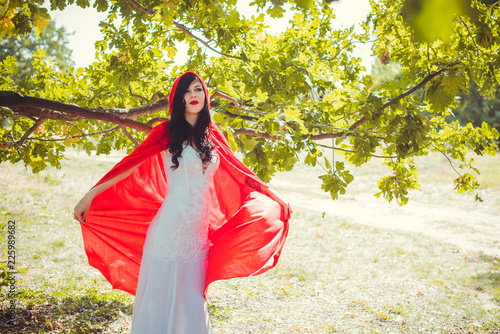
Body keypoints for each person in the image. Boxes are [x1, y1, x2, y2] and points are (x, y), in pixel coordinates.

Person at [73, 72, 292, 333]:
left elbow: (239, 172)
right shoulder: (165, 132)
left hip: (196, 237)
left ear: (205, 95)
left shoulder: (213, 135)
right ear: (179, 99)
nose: (193, 96)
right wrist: (90, 195)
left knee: (192, 303)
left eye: (198, 89)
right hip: (167, 230)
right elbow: (128, 166)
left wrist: (274, 196)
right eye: (187, 91)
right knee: (159, 299)